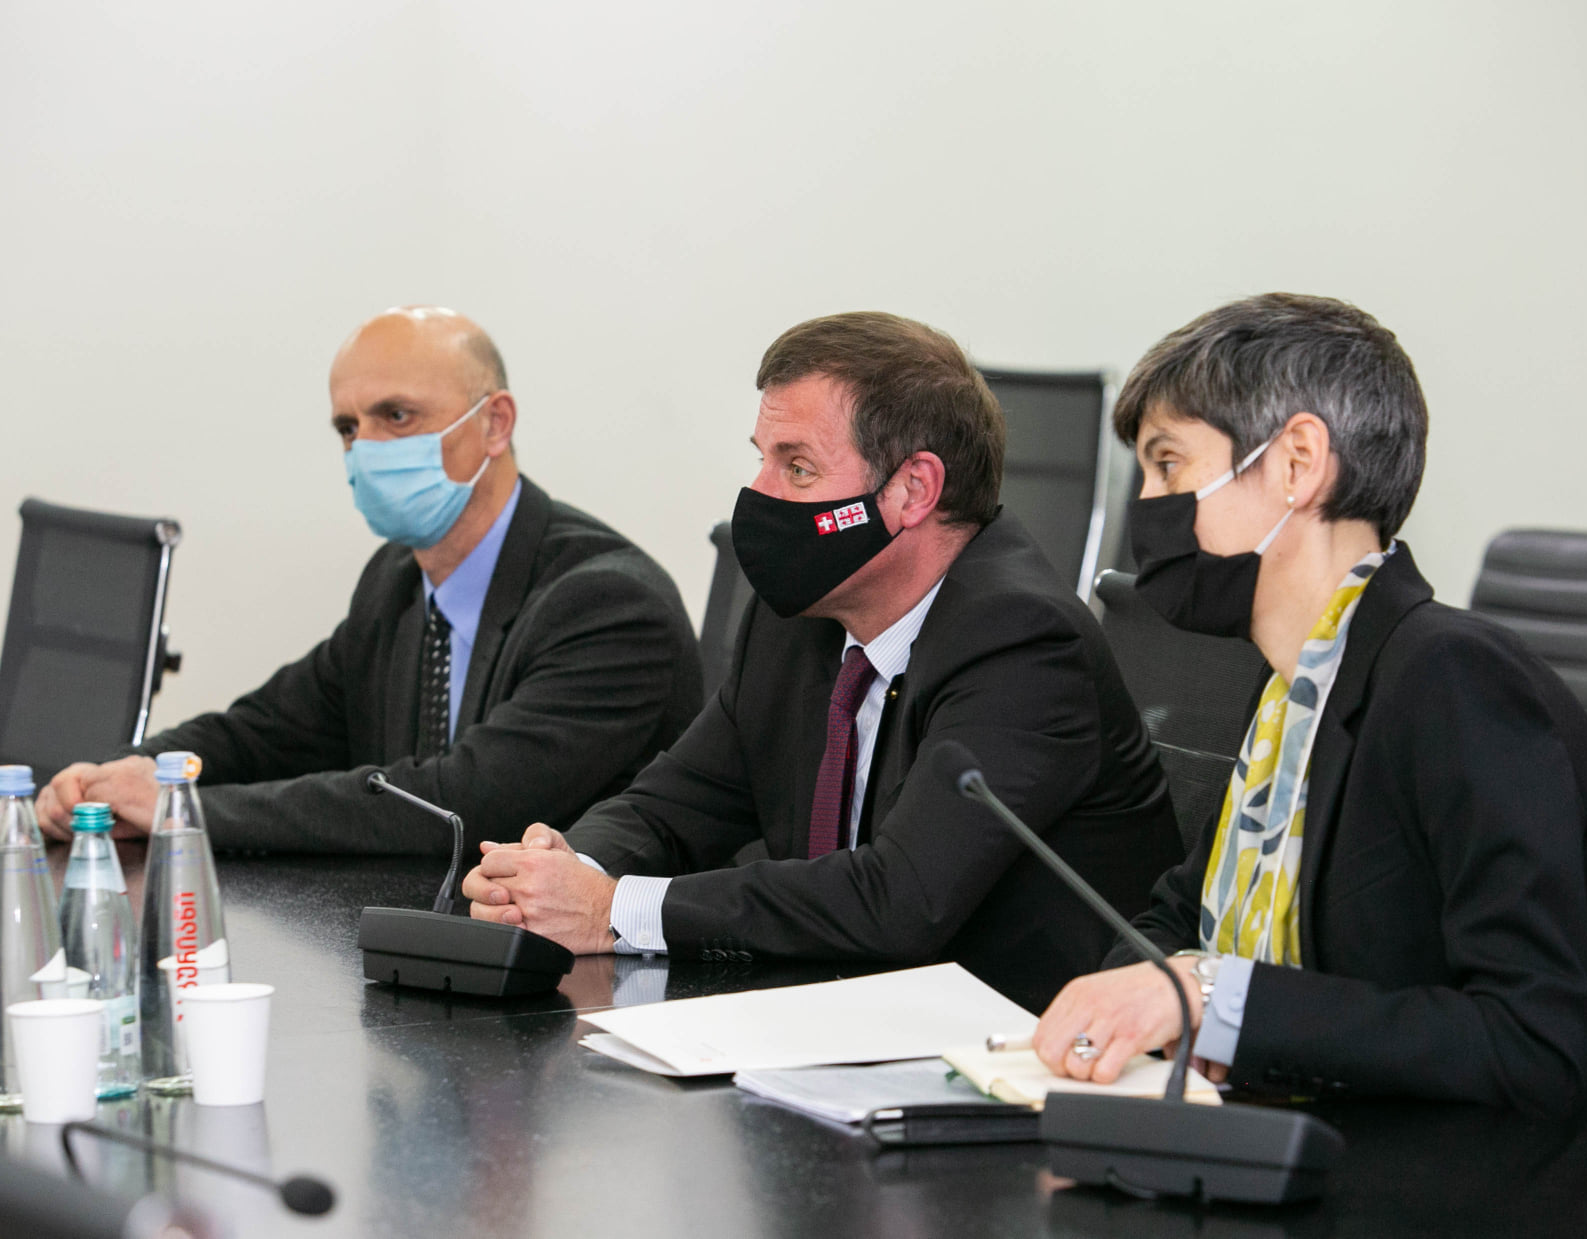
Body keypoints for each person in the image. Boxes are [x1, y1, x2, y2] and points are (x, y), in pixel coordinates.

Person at [1031, 293, 1587, 1151]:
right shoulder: (1289, 688)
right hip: (1316, 1146)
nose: (1148, 502)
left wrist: (1210, 998)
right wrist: (1130, 994)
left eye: (1169, 464)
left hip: (1512, 1185)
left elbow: (1531, 1044)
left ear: (1298, 462)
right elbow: (1181, 912)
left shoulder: (1455, 681)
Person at [463, 311, 1181, 1010]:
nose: (759, 493)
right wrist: (559, 876)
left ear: (913, 490)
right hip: (835, 1018)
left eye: (797, 467)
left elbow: (897, 899)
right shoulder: (799, 619)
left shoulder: (1022, 642)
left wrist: (612, 909)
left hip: (1016, 1044)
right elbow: (671, 806)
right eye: (762, 458)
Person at [38, 306, 703, 853]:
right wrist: (124, 775)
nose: (366, 448)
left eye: (397, 416)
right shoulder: (396, 579)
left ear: (495, 423)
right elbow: (265, 731)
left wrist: (180, 811)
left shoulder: (610, 604)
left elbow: (459, 804)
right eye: (348, 427)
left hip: (582, 964)